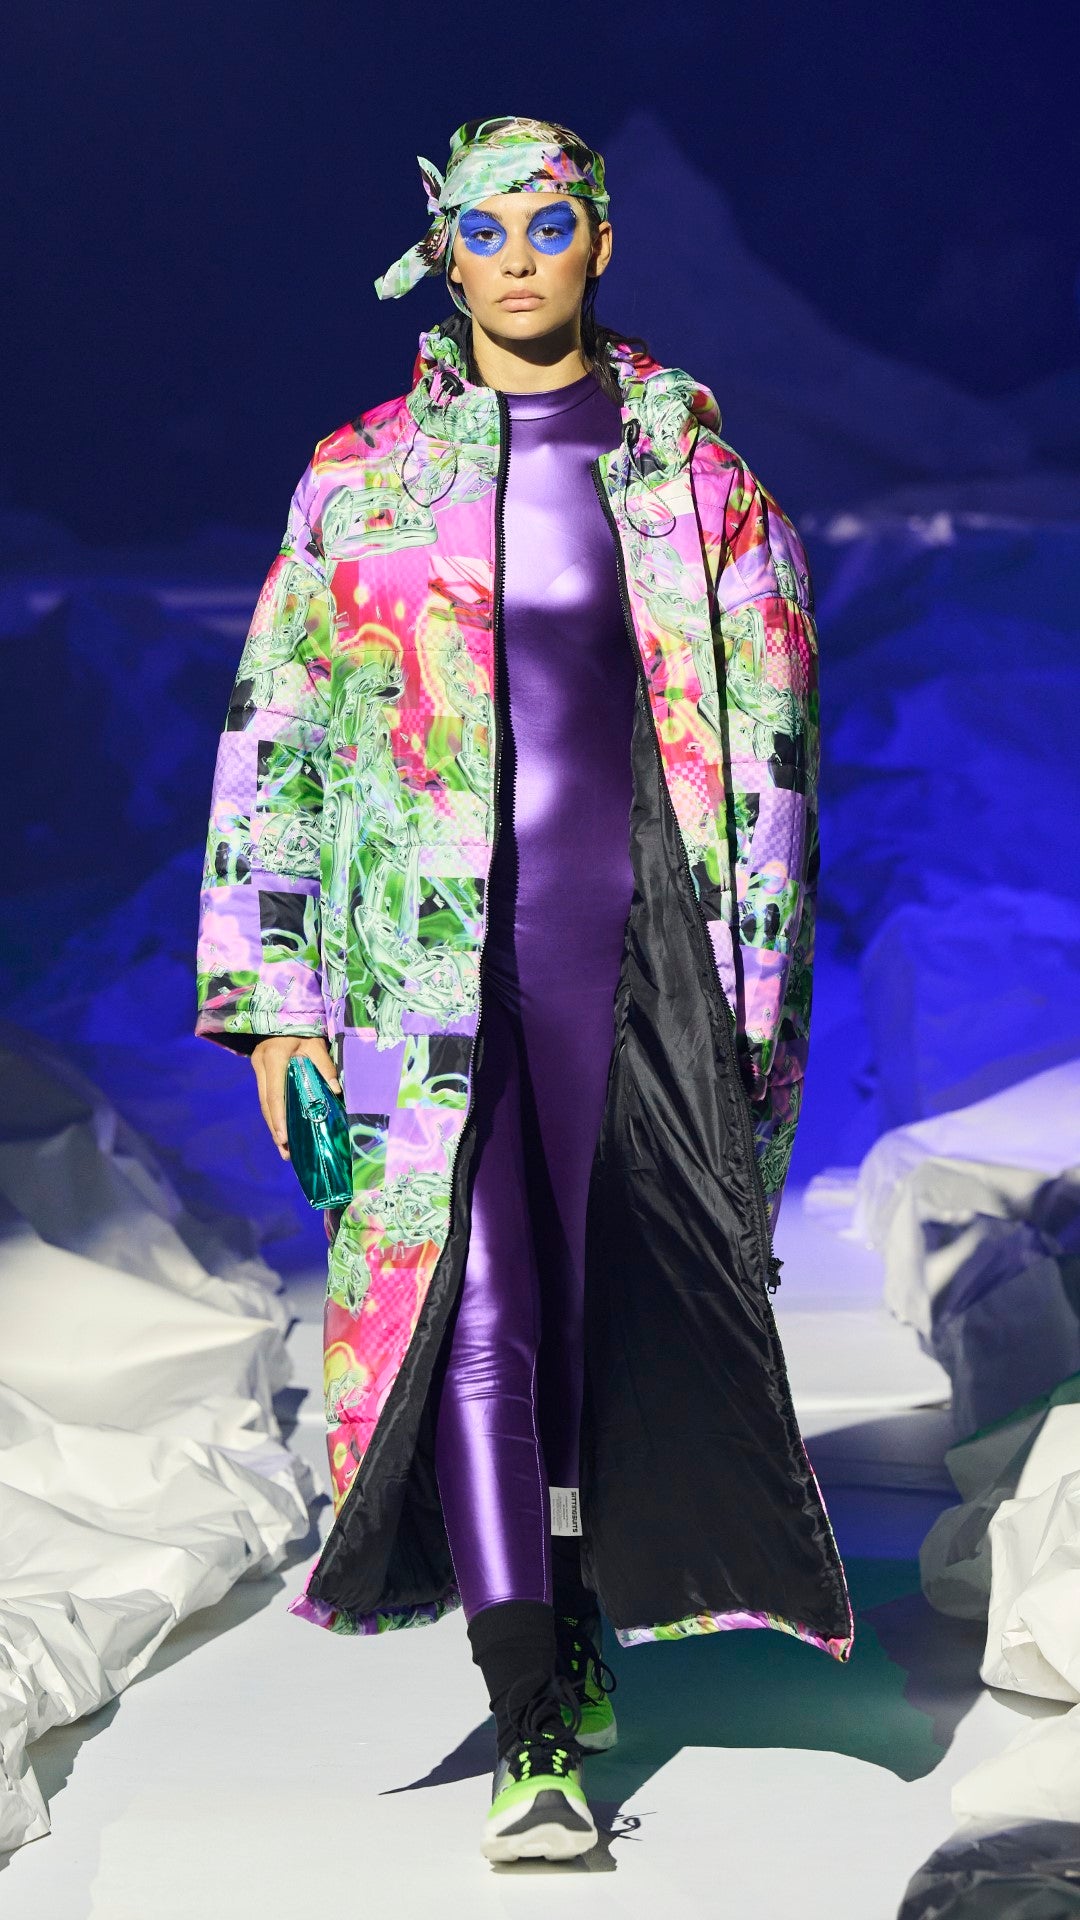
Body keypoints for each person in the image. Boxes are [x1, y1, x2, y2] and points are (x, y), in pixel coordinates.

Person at [194, 114, 853, 1865]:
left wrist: (758, 1007)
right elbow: (278, 737)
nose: (515, 258)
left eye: (547, 223)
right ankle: (532, 1703)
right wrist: (273, 1000)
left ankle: (579, 1611)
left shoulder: (700, 485)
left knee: (602, 1307)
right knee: (476, 1313)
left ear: (599, 241)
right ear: (444, 255)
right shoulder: (362, 480)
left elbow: (777, 765)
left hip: (646, 971)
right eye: (480, 231)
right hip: (427, 974)